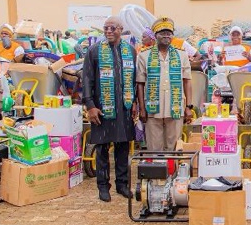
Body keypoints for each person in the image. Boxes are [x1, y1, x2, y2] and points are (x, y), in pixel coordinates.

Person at [82, 16, 137, 202]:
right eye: (105, 28)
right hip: (102, 107)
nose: (108, 31)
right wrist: (90, 106)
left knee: (123, 148)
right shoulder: (94, 51)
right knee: (102, 148)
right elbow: (87, 80)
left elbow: (134, 79)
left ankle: (122, 184)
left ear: (121, 29)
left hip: (124, 108)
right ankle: (103, 186)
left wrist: (135, 102)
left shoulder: (130, 51)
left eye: (112, 28)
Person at [137, 17, 193, 151]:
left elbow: (187, 81)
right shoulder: (144, 55)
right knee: (154, 148)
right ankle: (156, 172)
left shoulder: (181, 55)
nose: (166, 36)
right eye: (162, 33)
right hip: (152, 110)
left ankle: (173, 172)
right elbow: (140, 83)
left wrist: (189, 106)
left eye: (169, 33)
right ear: (155, 35)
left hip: (175, 107)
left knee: (174, 147)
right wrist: (142, 109)